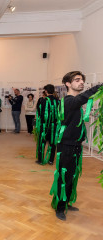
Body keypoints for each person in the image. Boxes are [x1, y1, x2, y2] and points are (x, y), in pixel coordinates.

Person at [50, 71, 103, 221]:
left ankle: (65, 202)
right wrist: (97, 87)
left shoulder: (75, 102)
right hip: (66, 146)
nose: (81, 82)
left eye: (82, 80)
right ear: (67, 83)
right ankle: (60, 208)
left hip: (75, 146)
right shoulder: (68, 101)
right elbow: (80, 99)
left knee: (72, 177)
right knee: (64, 177)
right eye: (77, 80)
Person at [36, 84, 59, 165]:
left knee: (42, 142)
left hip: (44, 126)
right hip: (55, 126)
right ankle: (51, 160)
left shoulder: (43, 100)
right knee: (53, 143)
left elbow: (40, 113)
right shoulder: (58, 101)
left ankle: (40, 160)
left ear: (46, 91)